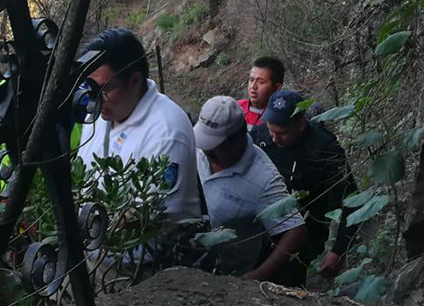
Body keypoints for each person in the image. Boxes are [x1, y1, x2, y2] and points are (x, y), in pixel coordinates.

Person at [76, 28, 201, 221]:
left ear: (134, 81)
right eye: (90, 89)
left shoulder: (167, 133)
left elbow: (147, 221)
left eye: (104, 89)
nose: (94, 100)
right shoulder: (99, 115)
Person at [193, 96, 309, 284]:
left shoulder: (263, 178)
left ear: (237, 139)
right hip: (193, 260)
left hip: (230, 274)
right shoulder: (202, 149)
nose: (206, 151)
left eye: (214, 146)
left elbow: (295, 231)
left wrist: (259, 275)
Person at [251, 90, 357, 277]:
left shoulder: (323, 148)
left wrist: (338, 250)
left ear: (300, 124)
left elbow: (352, 200)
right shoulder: (259, 136)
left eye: (282, 133)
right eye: (271, 131)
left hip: (304, 236)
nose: (275, 139)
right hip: (258, 230)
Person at [238, 56, 285, 127]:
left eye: (261, 82)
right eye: (251, 80)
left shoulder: (279, 118)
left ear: (276, 87)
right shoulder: (235, 108)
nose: (253, 86)